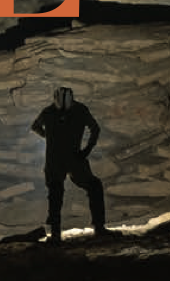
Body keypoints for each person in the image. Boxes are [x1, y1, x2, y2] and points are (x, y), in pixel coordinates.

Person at [30, 86, 110, 241]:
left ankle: (55, 235)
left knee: (56, 194)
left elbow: (35, 126)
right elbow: (95, 129)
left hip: (59, 159)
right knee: (89, 187)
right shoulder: (76, 110)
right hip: (72, 158)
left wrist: (48, 137)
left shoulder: (50, 111)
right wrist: (86, 150)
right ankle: (98, 228)